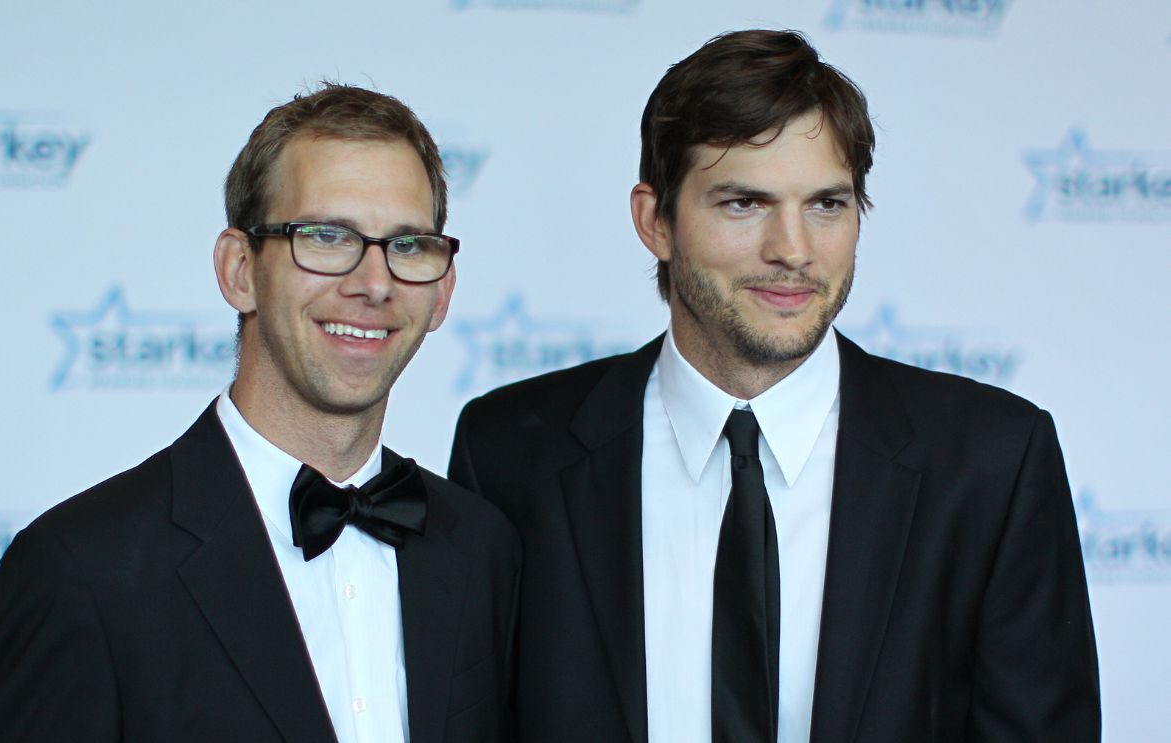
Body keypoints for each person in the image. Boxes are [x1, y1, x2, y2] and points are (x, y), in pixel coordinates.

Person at [449, 30, 1099, 743]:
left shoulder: (990, 463)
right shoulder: (509, 453)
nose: (792, 249)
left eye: (826, 204)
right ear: (654, 220)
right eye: (743, 204)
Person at [0, 83, 519, 743]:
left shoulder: (485, 550)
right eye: (326, 236)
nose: (374, 283)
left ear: (441, 292)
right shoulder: (83, 570)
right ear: (239, 270)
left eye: (407, 246)